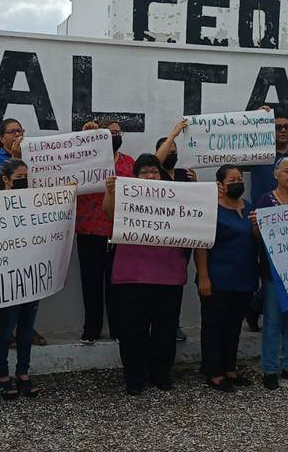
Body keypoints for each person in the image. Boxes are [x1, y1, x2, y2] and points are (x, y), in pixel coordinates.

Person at [102, 154, 190, 395]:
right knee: (132, 330)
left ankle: (161, 374)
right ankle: (134, 377)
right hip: (132, 275)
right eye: (144, 172)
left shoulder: (177, 196)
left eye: (154, 171)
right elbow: (109, 216)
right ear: (135, 176)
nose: (150, 176)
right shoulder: (126, 194)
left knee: (165, 329)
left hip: (169, 274)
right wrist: (110, 192)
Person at [194, 164, 259, 392]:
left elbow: (256, 241)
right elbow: (201, 246)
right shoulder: (211, 210)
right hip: (217, 278)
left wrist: (256, 228)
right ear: (220, 184)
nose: (237, 183)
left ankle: (229, 367)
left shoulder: (250, 209)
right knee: (214, 326)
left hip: (244, 279)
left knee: (233, 327)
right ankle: (212, 371)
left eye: (240, 179)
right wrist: (203, 276)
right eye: (232, 180)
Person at [252, 157, 288, 390]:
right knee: (273, 321)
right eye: (287, 171)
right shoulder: (266, 201)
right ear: (276, 175)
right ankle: (269, 369)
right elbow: (257, 236)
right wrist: (256, 225)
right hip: (274, 272)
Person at [76, 119, 135, 345]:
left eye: (118, 132)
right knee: (90, 281)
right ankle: (91, 327)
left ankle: (117, 327)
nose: (115, 136)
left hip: (119, 230)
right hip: (89, 229)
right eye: (110, 132)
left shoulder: (130, 163)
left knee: (116, 281)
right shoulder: (85, 159)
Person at [0, 159, 42, 399]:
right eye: (20, 176)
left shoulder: (34, 203)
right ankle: (2, 374)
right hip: (6, 277)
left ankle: (23, 372)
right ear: (6, 179)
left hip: (31, 275)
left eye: (26, 176)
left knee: (26, 327)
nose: (24, 180)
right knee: (6, 327)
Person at [155, 119, 198, 342]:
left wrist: (196, 185)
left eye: (176, 150)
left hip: (182, 239)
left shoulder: (184, 175)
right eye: (169, 150)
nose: (173, 153)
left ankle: (174, 323)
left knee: (176, 282)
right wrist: (173, 134)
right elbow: (156, 161)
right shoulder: (154, 176)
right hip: (159, 239)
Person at [248, 107, 288, 203]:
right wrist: (256, 118)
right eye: (278, 128)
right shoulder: (257, 152)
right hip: (265, 211)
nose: (283, 130)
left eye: (287, 127)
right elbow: (241, 143)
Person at [0, 118, 24, 190]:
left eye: (19, 131)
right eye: (12, 132)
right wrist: (15, 159)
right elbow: (0, 185)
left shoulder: (29, 153)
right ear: (2, 138)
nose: (17, 134)